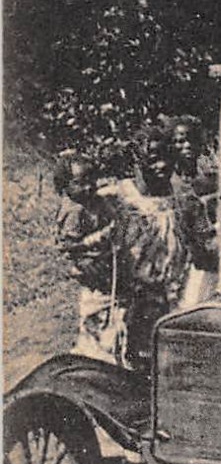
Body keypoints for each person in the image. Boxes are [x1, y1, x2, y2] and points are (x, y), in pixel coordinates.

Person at [112, 126, 215, 369]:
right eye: (153, 159)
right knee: (131, 351)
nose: (161, 166)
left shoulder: (184, 197)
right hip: (134, 292)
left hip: (175, 288)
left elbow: (203, 238)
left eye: (167, 158)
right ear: (137, 161)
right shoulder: (122, 198)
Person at [53, 151, 122, 363]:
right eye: (80, 183)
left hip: (108, 263)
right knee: (97, 313)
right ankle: (93, 357)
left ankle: (111, 351)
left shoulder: (95, 201)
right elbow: (69, 247)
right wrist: (98, 238)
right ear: (65, 186)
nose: (89, 186)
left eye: (92, 179)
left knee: (115, 311)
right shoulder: (74, 211)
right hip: (91, 267)